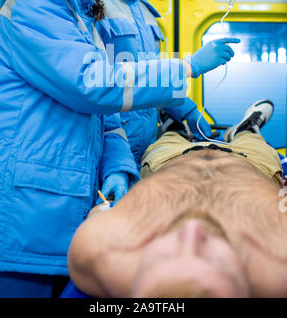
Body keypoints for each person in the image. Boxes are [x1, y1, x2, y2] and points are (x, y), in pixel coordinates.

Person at [0, 0, 239, 298]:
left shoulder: (79, 15)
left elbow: (102, 114)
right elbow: (94, 86)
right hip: (25, 209)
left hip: (60, 197)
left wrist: (118, 166)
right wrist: (186, 66)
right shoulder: (33, 7)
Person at [67, 99, 287, 298]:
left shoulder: (97, 252)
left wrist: (107, 206)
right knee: (254, 142)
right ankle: (248, 129)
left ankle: (173, 127)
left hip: (169, 161)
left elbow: (101, 210)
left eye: (162, 258)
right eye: (215, 261)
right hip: (251, 164)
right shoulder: (279, 264)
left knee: (169, 137)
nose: (192, 230)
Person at [96, 0, 213, 165]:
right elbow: (98, 82)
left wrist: (183, 106)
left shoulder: (147, 14)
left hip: (146, 139)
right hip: (109, 141)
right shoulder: (98, 4)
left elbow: (152, 73)